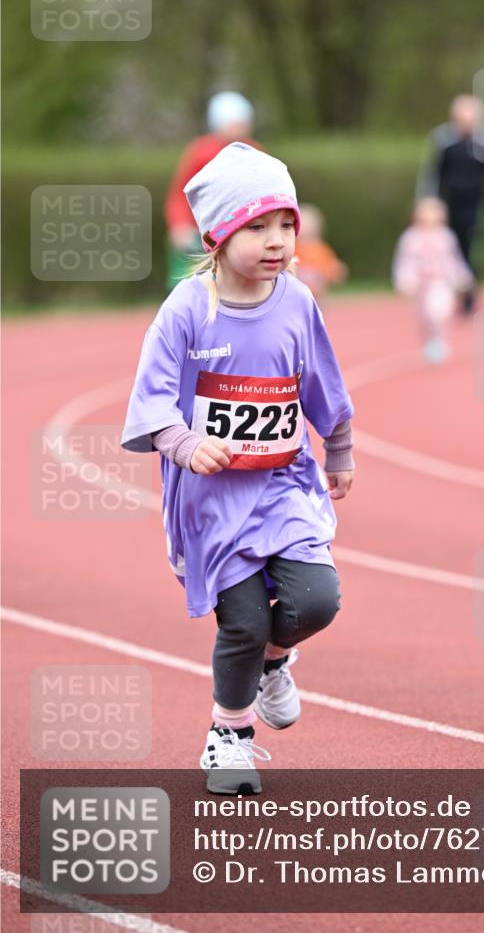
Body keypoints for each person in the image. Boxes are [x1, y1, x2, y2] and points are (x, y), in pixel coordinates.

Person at [121, 143, 355, 795]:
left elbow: (323, 383)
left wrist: (338, 448)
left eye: (285, 225)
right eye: (257, 227)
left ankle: (275, 662)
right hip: (212, 498)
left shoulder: (298, 302)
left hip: (283, 485)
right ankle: (229, 737)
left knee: (316, 600)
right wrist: (182, 443)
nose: (276, 241)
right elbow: (151, 396)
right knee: (244, 621)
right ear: (217, 237)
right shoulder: (187, 309)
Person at [416, 94, 484, 313]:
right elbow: (431, 175)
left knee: (473, 249)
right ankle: (447, 292)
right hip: (446, 207)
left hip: (476, 205)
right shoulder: (442, 140)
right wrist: (427, 203)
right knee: (446, 249)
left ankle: (470, 294)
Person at [163, 91, 262, 291]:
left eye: (243, 124)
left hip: (239, 227)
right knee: (189, 281)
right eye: (234, 124)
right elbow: (180, 194)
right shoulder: (201, 152)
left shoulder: (254, 152)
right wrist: (179, 224)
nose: (239, 130)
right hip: (200, 232)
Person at [392, 197, 473, 364]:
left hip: (440, 283)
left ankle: (439, 341)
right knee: (425, 317)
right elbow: (405, 260)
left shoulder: (446, 236)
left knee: (438, 312)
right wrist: (404, 279)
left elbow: (453, 259)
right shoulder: (410, 237)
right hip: (421, 285)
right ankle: (430, 341)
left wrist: (462, 277)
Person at [294, 204, 348, 308]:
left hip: (318, 298)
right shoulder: (294, 250)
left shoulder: (322, 250)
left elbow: (334, 271)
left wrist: (337, 271)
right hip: (298, 297)